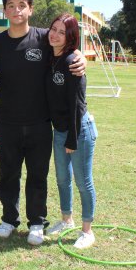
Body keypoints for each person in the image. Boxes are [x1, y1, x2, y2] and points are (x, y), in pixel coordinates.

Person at [0, 0, 86, 246]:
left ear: (30, 9)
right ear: (4, 10)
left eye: (21, 4)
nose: (16, 10)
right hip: (8, 122)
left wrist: (81, 57)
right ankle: (9, 218)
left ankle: (37, 223)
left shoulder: (44, 38)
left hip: (41, 123)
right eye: (10, 5)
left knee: (37, 175)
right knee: (8, 174)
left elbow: (68, 50)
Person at [45, 14, 98, 249]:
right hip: (59, 131)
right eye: (53, 29)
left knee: (83, 181)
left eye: (62, 32)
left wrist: (73, 139)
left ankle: (87, 231)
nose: (55, 35)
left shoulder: (72, 63)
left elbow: (77, 105)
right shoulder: (50, 56)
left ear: (71, 37)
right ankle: (67, 220)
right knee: (62, 178)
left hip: (78, 130)